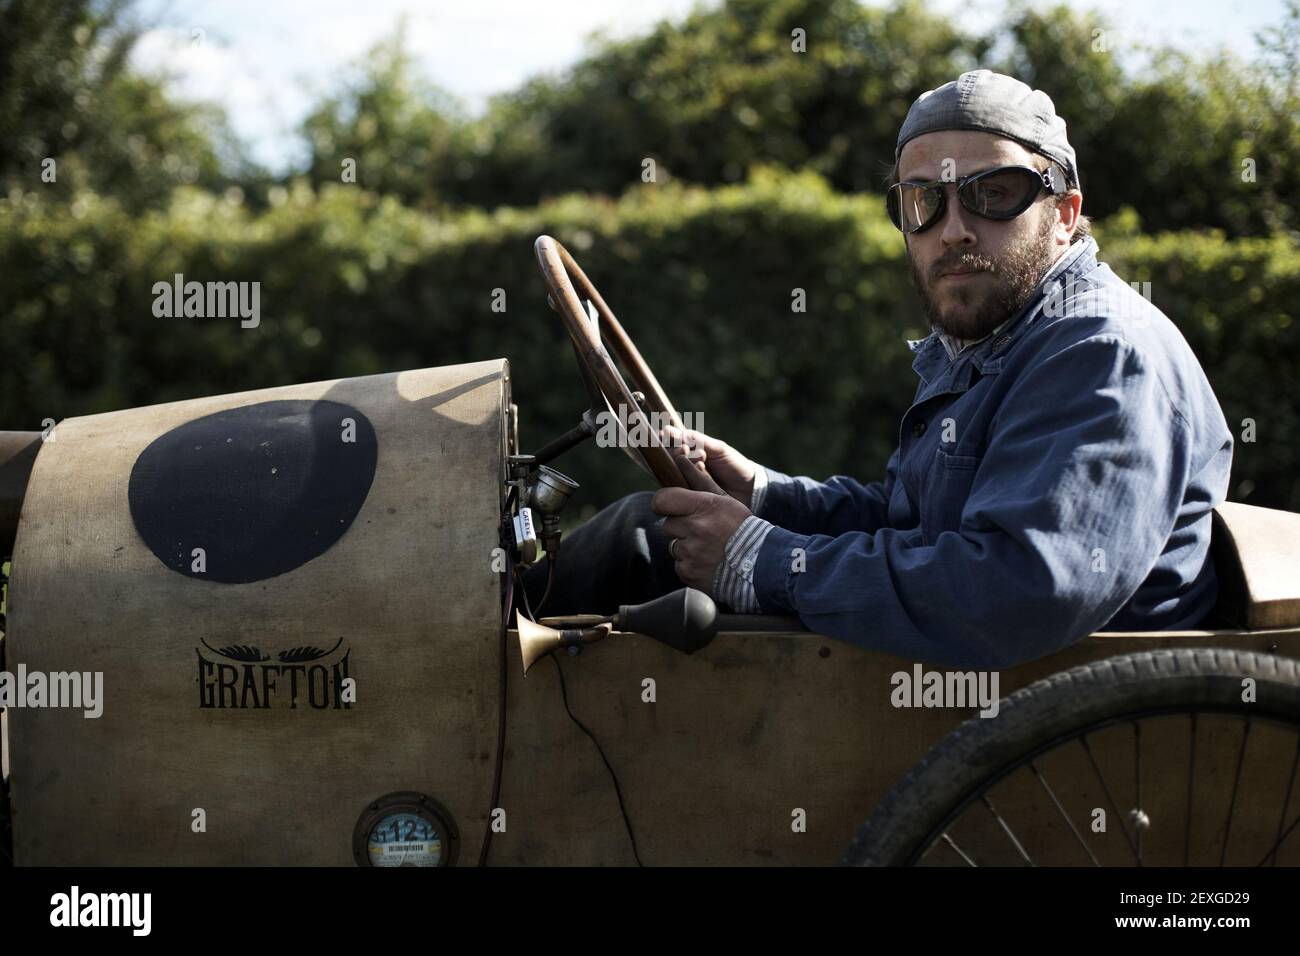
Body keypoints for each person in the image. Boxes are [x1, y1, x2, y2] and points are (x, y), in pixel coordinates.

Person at [525, 69, 1233, 669]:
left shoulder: (1099, 352)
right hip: (980, 694)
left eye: (994, 193)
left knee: (637, 544)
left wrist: (762, 559)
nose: (953, 228)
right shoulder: (997, 335)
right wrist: (767, 498)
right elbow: (916, 526)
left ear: (1065, 213)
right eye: (923, 201)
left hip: (1050, 721)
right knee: (645, 532)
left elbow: (1021, 588)